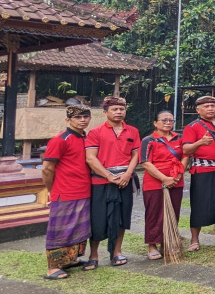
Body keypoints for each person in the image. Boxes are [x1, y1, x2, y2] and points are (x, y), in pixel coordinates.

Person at [84, 96, 140, 268]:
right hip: (101, 181)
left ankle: (117, 251)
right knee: (98, 218)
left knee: (122, 217)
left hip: (124, 180)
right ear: (105, 112)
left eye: (121, 109)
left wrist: (127, 174)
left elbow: (135, 155)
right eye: (114, 109)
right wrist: (108, 176)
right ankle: (93, 254)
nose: (118, 112)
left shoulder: (132, 131)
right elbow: (91, 158)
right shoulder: (96, 132)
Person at [41, 106, 93, 279]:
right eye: (78, 117)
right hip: (65, 191)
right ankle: (53, 267)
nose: (83, 120)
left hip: (83, 190)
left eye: (86, 116)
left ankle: (70, 260)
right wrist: (51, 190)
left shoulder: (86, 138)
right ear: (68, 120)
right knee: (61, 230)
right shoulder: (60, 140)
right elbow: (47, 169)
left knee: (79, 228)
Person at [182, 95, 215, 251]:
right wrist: (200, 143)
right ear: (198, 110)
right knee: (199, 204)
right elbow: (185, 149)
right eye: (206, 106)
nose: (210, 108)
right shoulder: (192, 127)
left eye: (212, 105)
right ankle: (195, 240)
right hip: (202, 170)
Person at [139, 111, 186, 261]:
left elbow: (185, 157)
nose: (167, 122)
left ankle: (168, 242)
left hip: (176, 181)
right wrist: (164, 178)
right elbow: (145, 162)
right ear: (155, 123)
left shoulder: (179, 139)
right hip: (154, 182)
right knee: (154, 214)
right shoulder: (149, 140)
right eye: (164, 120)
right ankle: (152, 245)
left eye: (171, 120)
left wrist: (177, 176)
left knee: (174, 211)